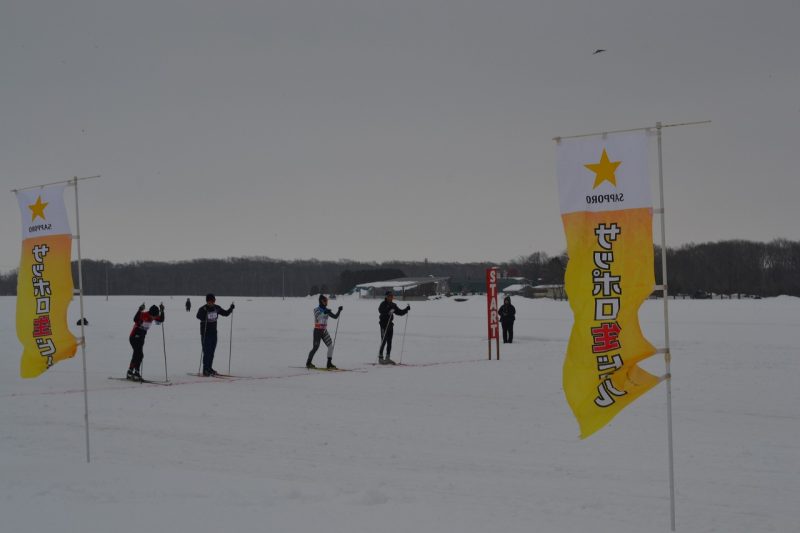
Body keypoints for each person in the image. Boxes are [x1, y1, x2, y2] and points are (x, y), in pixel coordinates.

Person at [196, 293, 234, 376]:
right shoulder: (203, 308)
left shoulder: (216, 308)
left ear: (214, 301)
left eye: (212, 301)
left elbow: (225, 313)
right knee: (207, 352)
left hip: (214, 333)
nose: (211, 303)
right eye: (209, 301)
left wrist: (231, 309)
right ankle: (205, 370)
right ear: (207, 301)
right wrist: (205, 314)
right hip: (205, 334)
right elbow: (198, 316)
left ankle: (209, 368)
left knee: (212, 352)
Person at [127, 303, 164, 380]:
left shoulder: (153, 316)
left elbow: (161, 319)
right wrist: (139, 310)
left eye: (155, 316)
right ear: (151, 313)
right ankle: (135, 373)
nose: (154, 318)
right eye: (153, 316)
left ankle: (130, 372)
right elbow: (135, 319)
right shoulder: (143, 315)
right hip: (134, 337)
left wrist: (162, 310)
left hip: (141, 338)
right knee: (139, 354)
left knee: (137, 354)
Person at [305, 294, 343, 369]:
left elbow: (335, 317)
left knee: (330, 346)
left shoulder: (326, 310)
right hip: (317, 331)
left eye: (327, 301)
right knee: (315, 347)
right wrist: (325, 312)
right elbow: (318, 317)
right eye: (325, 301)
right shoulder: (316, 309)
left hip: (324, 331)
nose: (326, 302)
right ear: (321, 301)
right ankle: (308, 363)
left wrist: (339, 310)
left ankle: (329, 363)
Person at [378, 291, 410, 364]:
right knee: (384, 341)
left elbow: (399, 312)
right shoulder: (383, 304)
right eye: (389, 296)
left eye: (392, 296)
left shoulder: (393, 305)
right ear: (386, 297)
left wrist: (406, 309)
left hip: (390, 325)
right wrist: (388, 311)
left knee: (389, 341)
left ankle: (388, 358)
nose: (391, 298)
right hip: (383, 325)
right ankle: (380, 358)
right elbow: (380, 310)